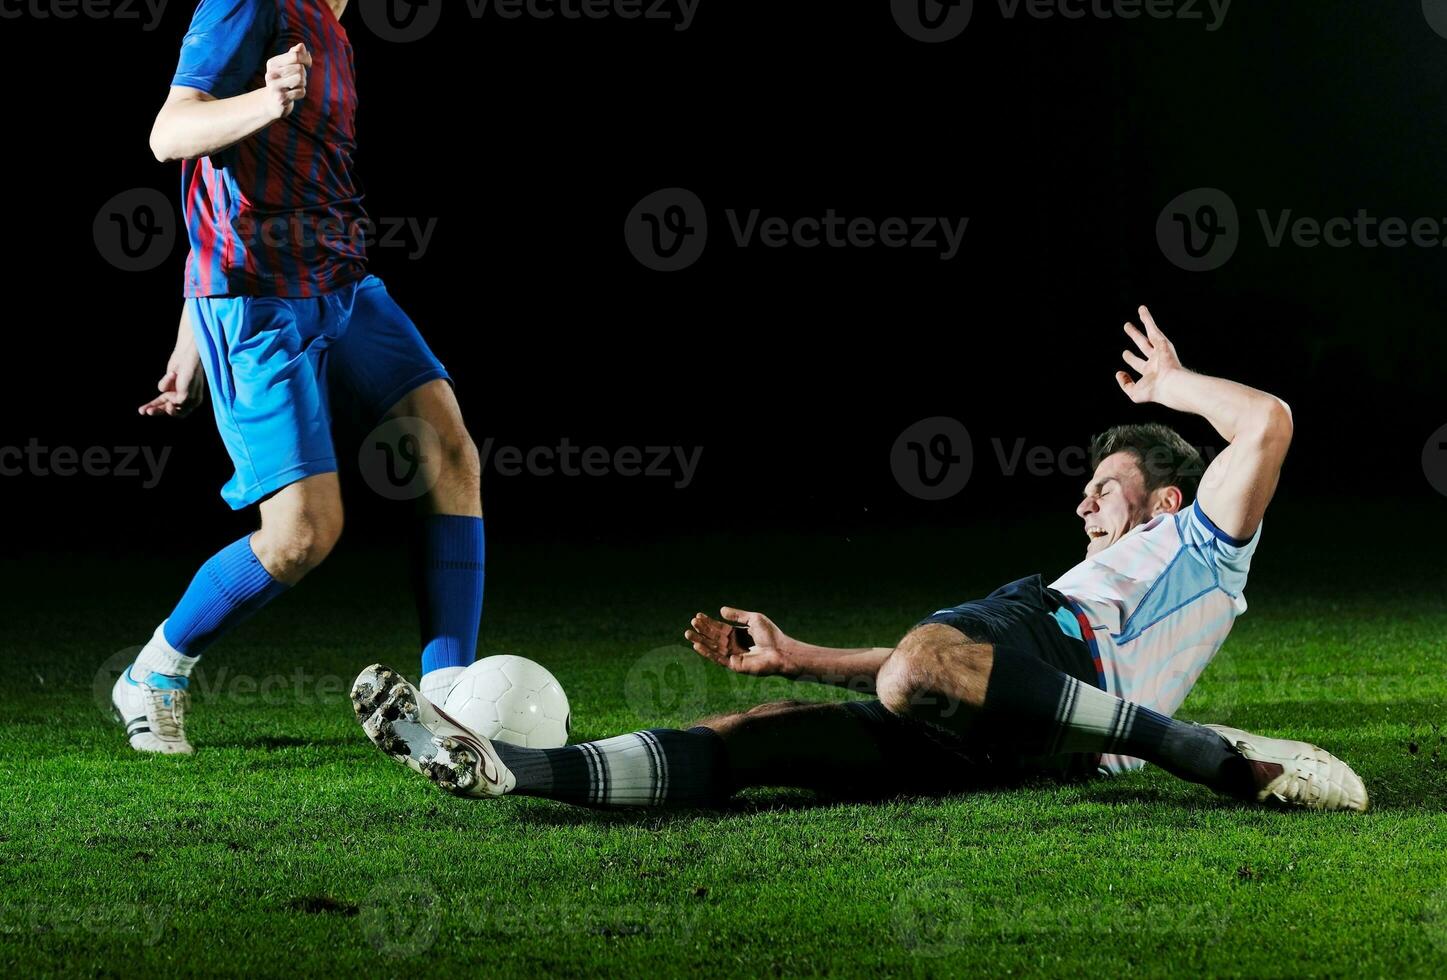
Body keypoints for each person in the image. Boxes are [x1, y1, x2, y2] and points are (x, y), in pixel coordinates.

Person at [352, 306, 1367, 812]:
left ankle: (1188, 748)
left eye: (1104, 483)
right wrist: (799, 654)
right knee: (760, 731)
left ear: (1166, 498)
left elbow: (1269, 421)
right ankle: (511, 767)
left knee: (921, 663)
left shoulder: (1198, 544)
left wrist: (1180, 383)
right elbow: (942, 672)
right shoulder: (1078, 578)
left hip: (1060, 677)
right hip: (1025, 727)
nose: (1083, 495)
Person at [114, 0, 484, 754]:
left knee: (447, 452)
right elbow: (170, 134)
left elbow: (226, 193)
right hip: (257, 304)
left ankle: (449, 702)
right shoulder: (248, 3)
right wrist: (267, 97)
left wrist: (185, 339)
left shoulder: (330, 25)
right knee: (302, 535)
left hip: (343, 284)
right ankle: (154, 672)